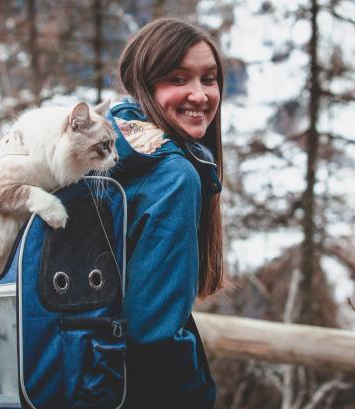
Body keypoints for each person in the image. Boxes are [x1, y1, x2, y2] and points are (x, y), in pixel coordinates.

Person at [105, 17, 226, 408]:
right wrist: (198, 396)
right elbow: (155, 334)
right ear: (145, 84)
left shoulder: (105, 149)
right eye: (178, 79)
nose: (200, 95)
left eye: (209, 79)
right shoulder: (174, 176)